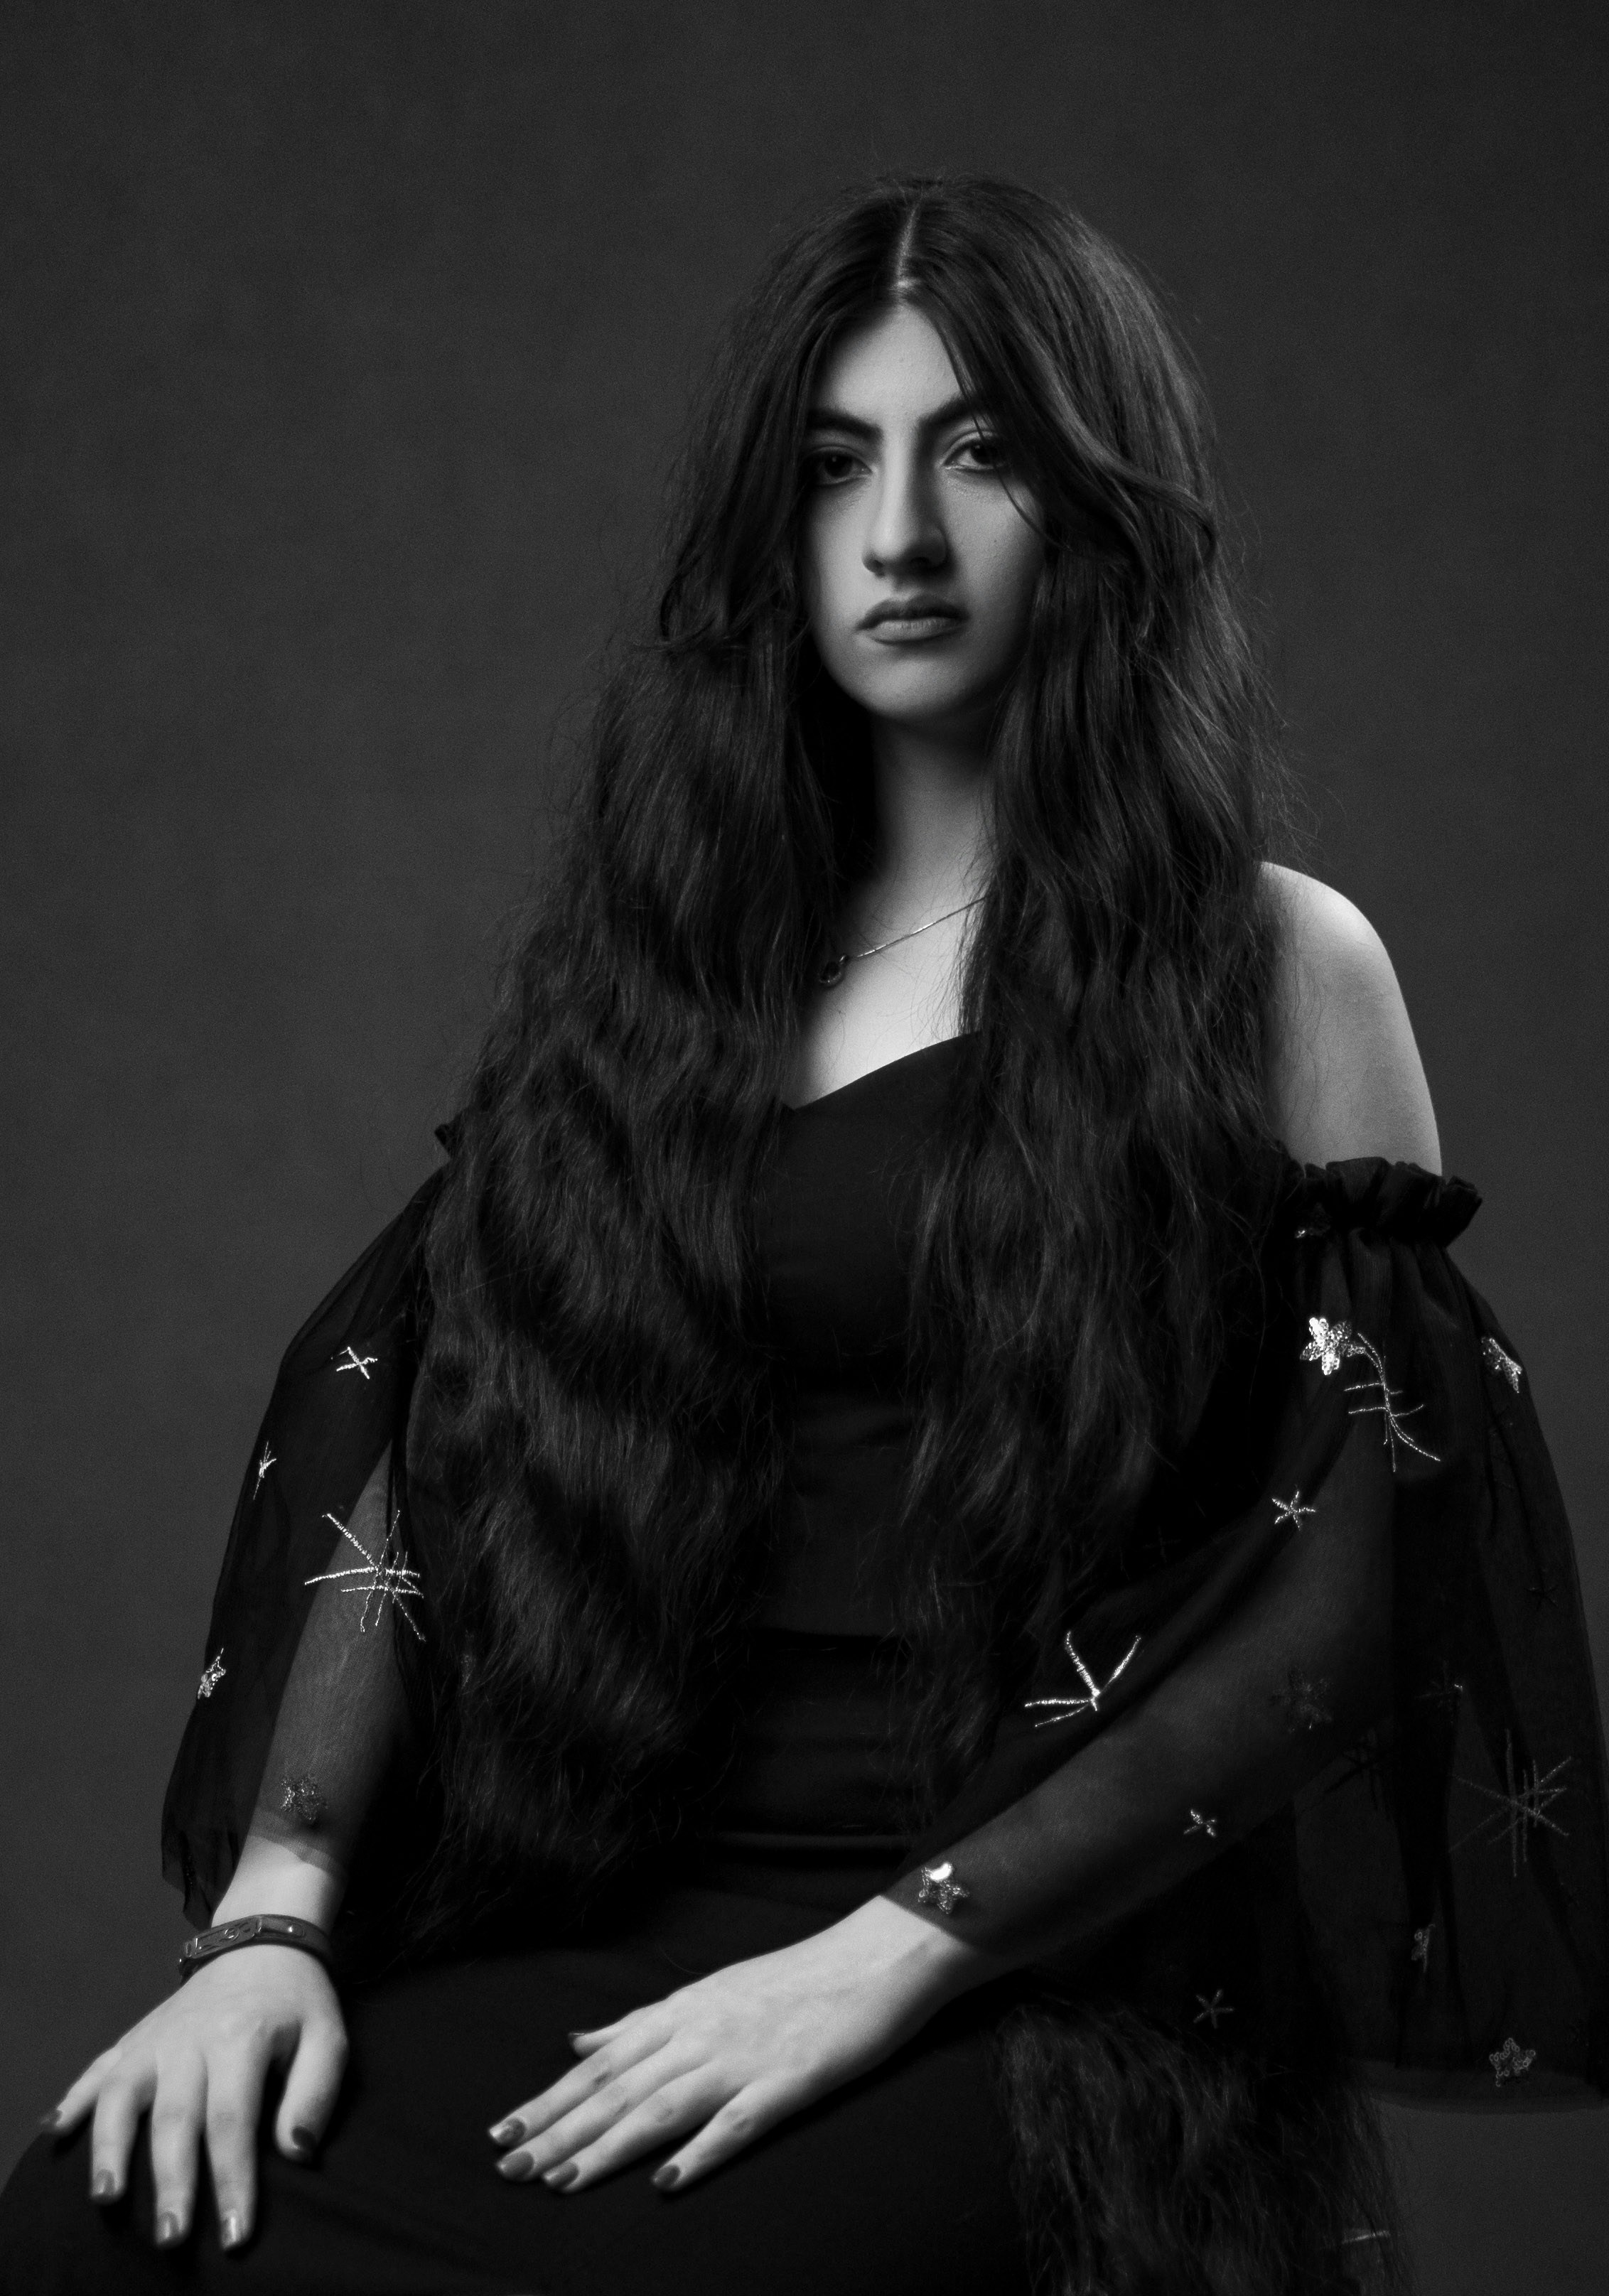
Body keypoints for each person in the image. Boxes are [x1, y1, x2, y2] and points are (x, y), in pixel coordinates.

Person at [3, 173, 1604, 2296]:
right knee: (87, 2232)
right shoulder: (655, 975)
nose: (901, 538)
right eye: (838, 464)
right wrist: (273, 1917)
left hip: (1034, 1966)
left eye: (981, 454)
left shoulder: (1276, 967)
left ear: (1101, 509)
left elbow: (1340, 1622)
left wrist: (892, 1953)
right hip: (612, 1910)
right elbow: (424, 1450)